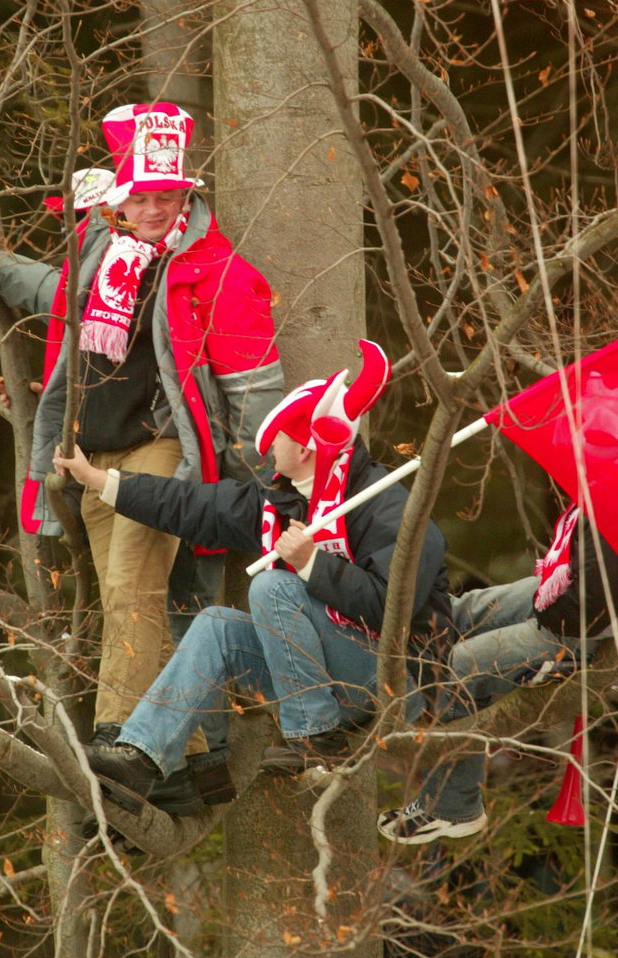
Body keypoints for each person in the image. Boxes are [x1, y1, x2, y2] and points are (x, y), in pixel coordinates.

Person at [0, 102, 283, 812]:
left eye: (169, 196)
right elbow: (60, 297)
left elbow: (254, 387)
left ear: (186, 197)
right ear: (121, 200)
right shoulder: (101, 252)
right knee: (135, 607)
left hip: (162, 449)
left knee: (135, 586)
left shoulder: (213, 270)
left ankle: (121, 743)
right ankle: (196, 770)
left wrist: (271, 491)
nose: (157, 208)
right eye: (143, 196)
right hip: (89, 453)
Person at [52, 342, 455, 817]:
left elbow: (393, 609)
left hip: (386, 680)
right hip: (319, 674)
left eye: (278, 436)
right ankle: (143, 755)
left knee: (272, 586)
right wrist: (99, 480)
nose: (267, 449)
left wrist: (310, 564)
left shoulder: (387, 505)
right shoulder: (279, 500)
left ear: (303, 447)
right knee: (217, 625)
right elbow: (191, 505)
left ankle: (313, 738)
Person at [378, 504, 618, 845]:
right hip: (564, 593)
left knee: (458, 667)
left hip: (578, 631)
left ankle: (453, 807)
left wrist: (540, 610)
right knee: (458, 614)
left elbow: (592, 608)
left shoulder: (610, 502)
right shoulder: (598, 493)